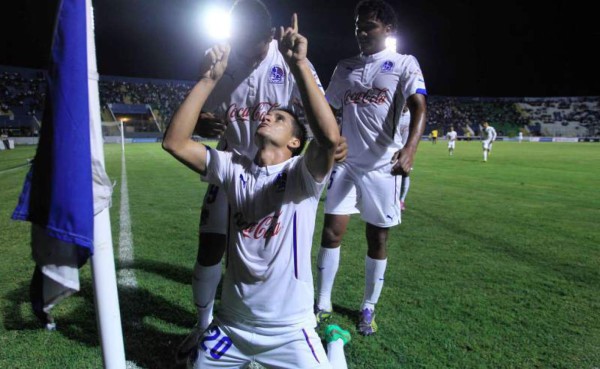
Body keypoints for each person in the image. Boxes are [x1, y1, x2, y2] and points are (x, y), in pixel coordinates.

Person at [163, 15, 350, 368]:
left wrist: (298, 65)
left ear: (296, 141)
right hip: (233, 326)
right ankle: (203, 325)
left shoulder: (301, 175)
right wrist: (208, 78)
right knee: (209, 246)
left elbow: (329, 137)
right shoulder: (233, 169)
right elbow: (174, 142)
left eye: (279, 118)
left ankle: (335, 344)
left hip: (289, 328)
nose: (265, 117)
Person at [314, 0, 427, 336]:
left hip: (382, 167)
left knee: (377, 237)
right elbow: (329, 109)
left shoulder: (403, 63)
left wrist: (410, 149)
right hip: (345, 164)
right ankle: (322, 303)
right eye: (358, 27)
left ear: (388, 30)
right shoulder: (345, 67)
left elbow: (420, 106)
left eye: (370, 27)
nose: (361, 32)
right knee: (331, 231)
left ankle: (368, 307)